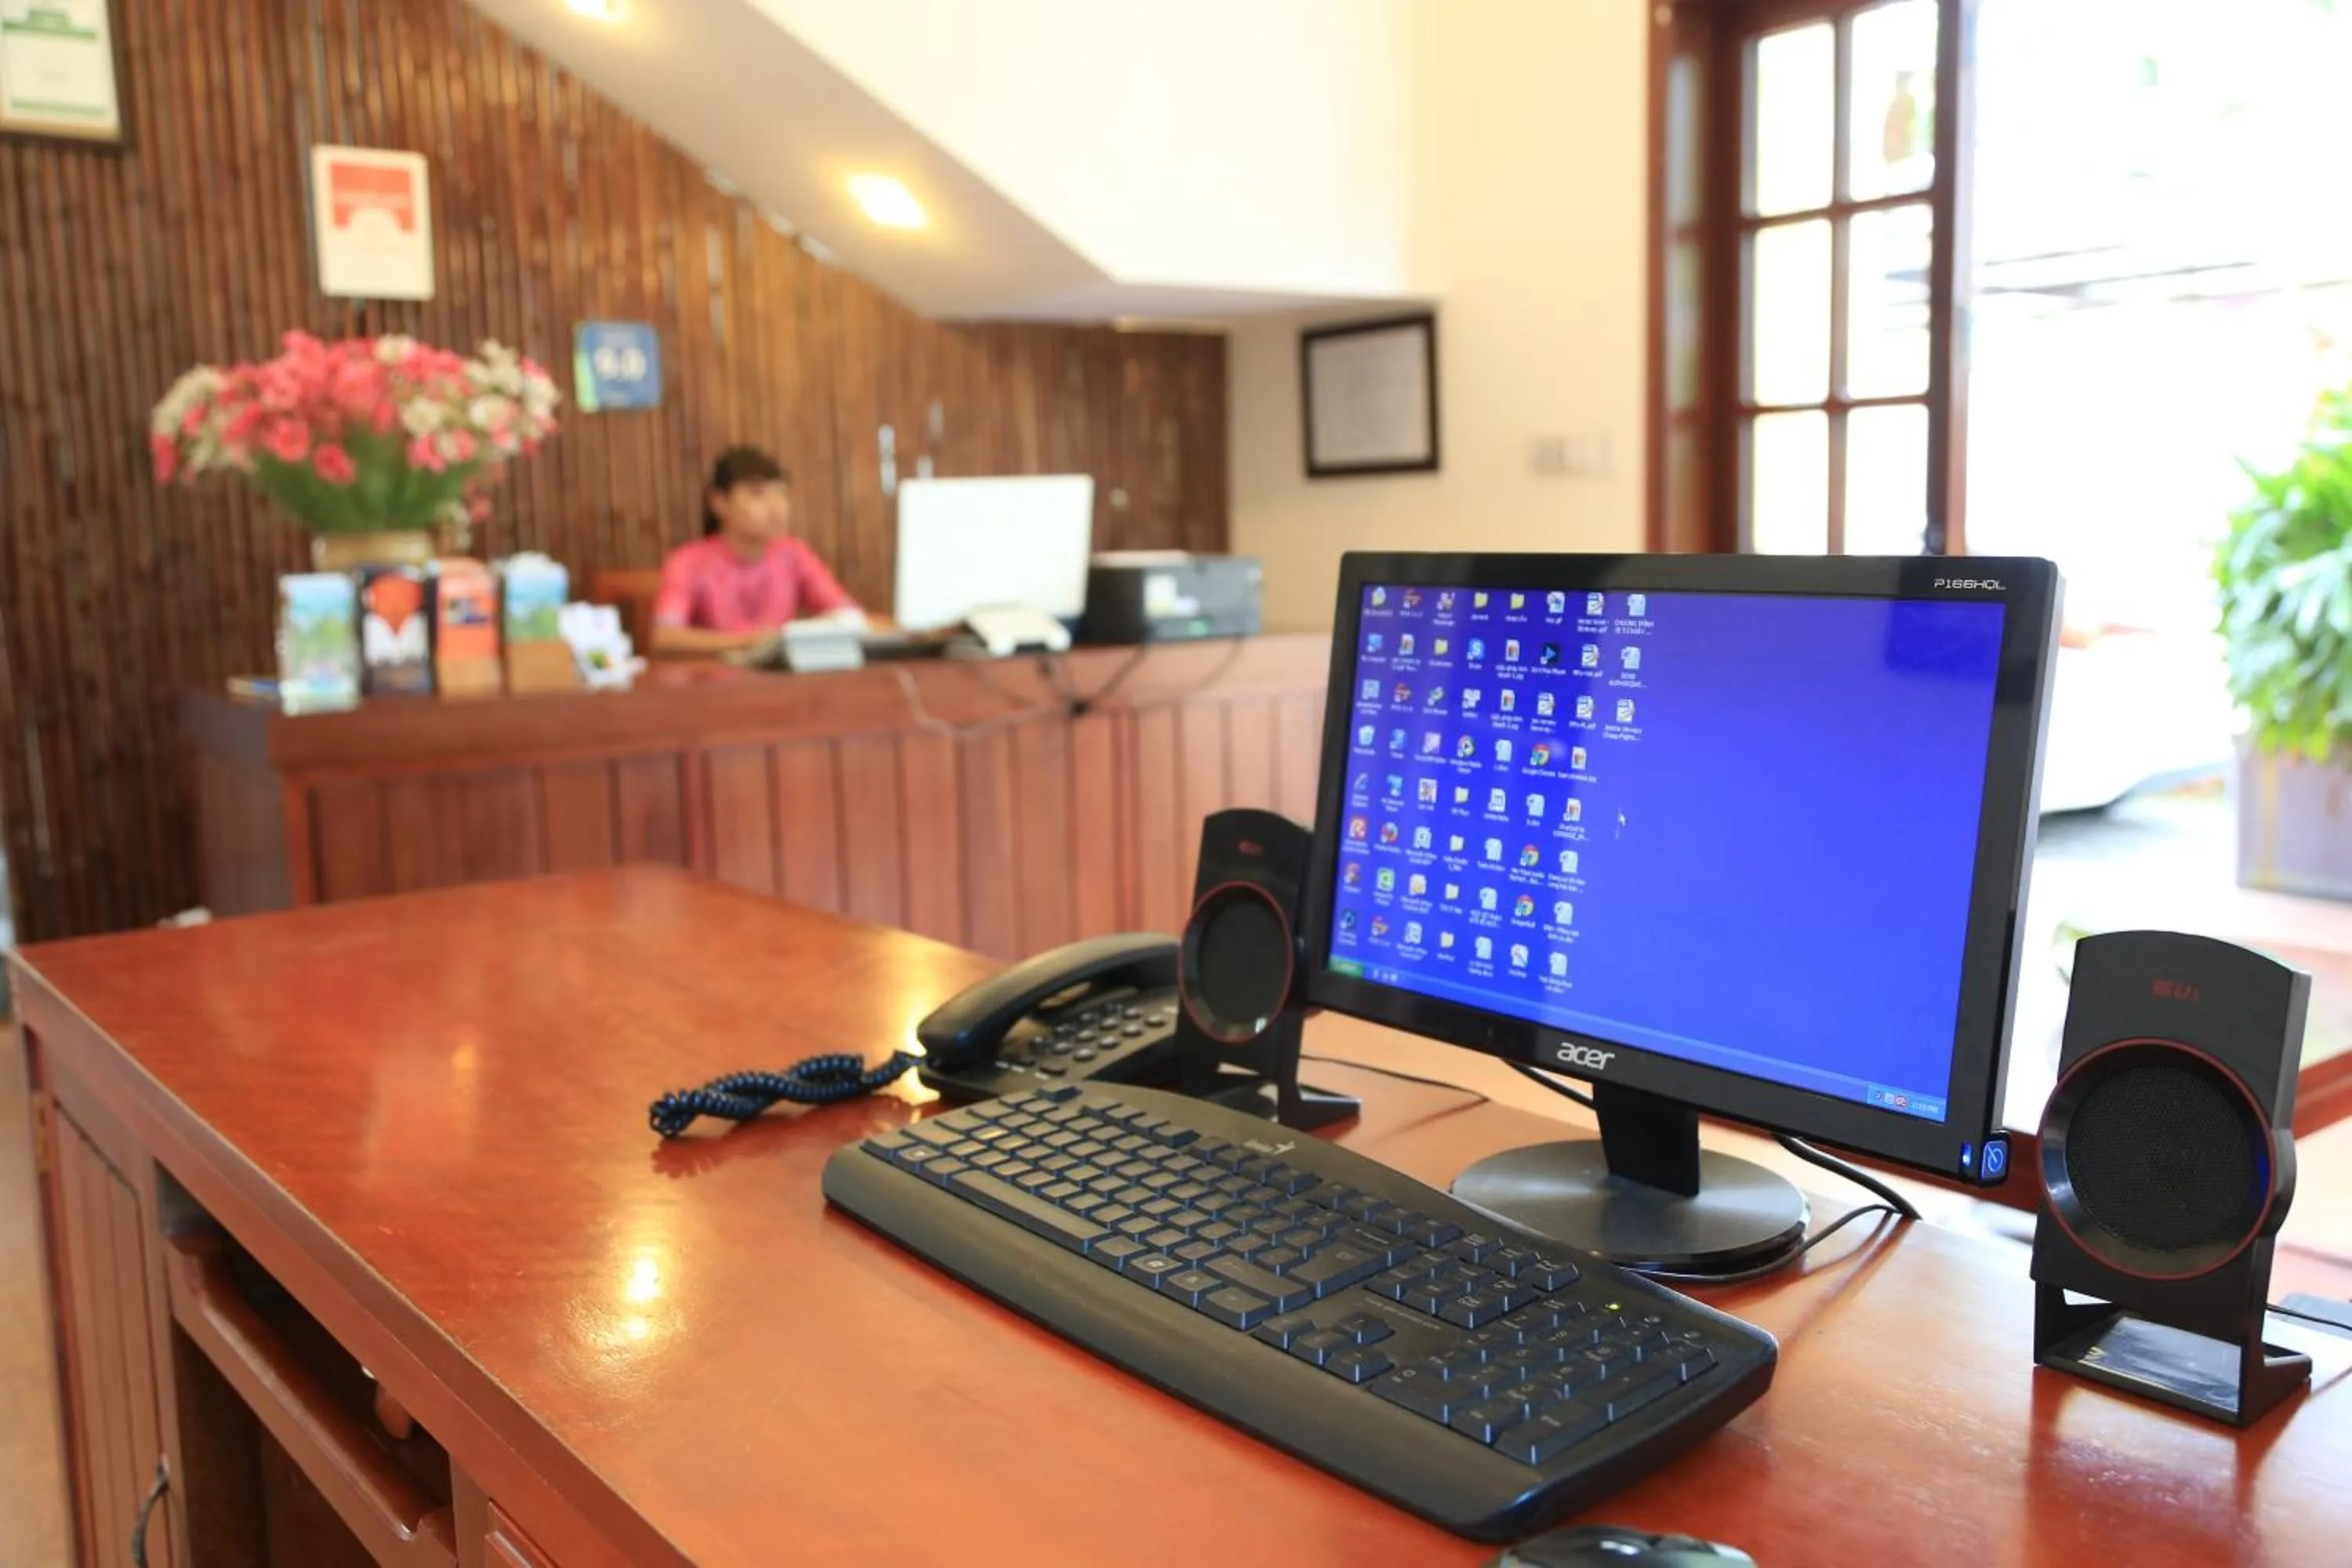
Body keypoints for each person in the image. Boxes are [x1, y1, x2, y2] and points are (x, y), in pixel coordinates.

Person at [650, 446, 861, 656]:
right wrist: (755, 642)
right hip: (714, 682)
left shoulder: (793, 555)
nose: (776, 507)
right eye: (757, 494)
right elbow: (665, 637)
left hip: (782, 683)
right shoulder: (689, 561)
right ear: (720, 502)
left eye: (781, 494)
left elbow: (848, 616)